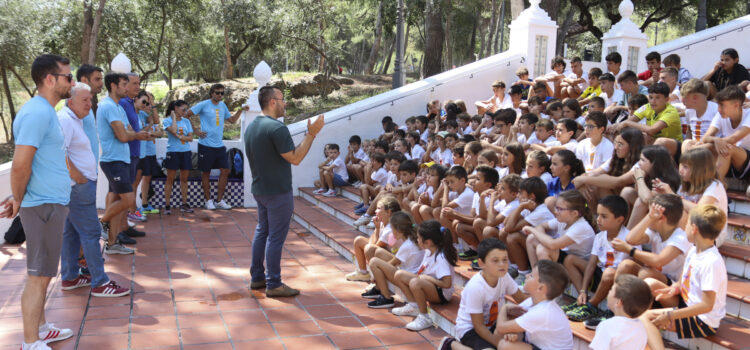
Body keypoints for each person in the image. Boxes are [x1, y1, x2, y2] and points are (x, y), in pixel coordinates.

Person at [2, 54, 75, 349]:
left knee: (44, 273)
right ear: (50, 79)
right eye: (68, 77)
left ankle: (42, 329)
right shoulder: (37, 113)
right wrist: (19, 198)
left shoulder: (44, 111)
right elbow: (20, 165)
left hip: (48, 203)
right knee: (39, 275)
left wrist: (19, 196)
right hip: (43, 205)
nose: (72, 82)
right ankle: (31, 342)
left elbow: (36, 163)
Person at [244, 86, 325, 297]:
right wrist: (311, 134)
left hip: (260, 189)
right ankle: (274, 283)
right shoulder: (277, 128)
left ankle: (257, 278)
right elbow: (295, 158)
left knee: (262, 232)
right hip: (278, 191)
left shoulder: (253, 126)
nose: (284, 103)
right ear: (272, 102)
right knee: (275, 238)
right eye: (281, 99)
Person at [58, 82, 131, 298]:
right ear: (70, 101)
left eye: (90, 100)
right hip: (78, 188)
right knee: (90, 233)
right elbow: (58, 153)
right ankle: (100, 282)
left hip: (78, 187)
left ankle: (70, 276)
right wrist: (78, 176)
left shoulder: (73, 119)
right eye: (85, 100)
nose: (90, 104)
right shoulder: (65, 120)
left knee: (70, 234)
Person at [645, 204, 728, 339]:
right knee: (648, 284)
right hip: (687, 304)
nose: (684, 228)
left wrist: (670, 315)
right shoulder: (694, 250)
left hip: (702, 320)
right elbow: (683, 279)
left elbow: (706, 306)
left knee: (645, 318)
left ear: (694, 229)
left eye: (687, 224)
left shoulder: (711, 262)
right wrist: (675, 288)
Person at [439, 239, 527, 350]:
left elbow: (521, 299)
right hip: (470, 329)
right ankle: (451, 344)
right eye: (495, 261)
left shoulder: (504, 276)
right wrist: (499, 344)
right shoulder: (475, 287)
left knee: (518, 338)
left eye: (505, 260)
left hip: (492, 322)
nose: (502, 264)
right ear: (481, 263)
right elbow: (479, 326)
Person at [97, 72, 150, 254]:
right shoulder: (108, 106)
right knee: (127, 200)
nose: (127, 87)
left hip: (122, 160)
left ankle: (112, 244)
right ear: (113, 85)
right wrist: (135, 135)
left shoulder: (118, 107)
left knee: (119, 203)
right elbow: (123, 135)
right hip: (113, 161)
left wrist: (131, 134)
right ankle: (101, 224)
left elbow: (128, 131)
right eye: (124, 84)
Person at [562, 196, 631, 324]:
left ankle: (591, 307)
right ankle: (582, 300)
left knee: (610, 272)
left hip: (617, 281)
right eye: (598, 215)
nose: (598, 219)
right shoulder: (600, 236)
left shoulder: (629, 238)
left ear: (619, 220)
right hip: (601, 275)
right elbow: (591, 265)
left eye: (604, 216)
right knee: (570, 260)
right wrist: (583, 290)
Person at [185, 84, 249, 210]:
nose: (220, 95)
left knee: (225, 171)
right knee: (206, 173)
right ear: (211, 93)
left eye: (222, 93)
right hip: (205, 145)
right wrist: (196, 132)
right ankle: (208, 200)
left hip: (219, 145)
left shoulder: (222, 105)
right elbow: (187, 115)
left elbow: (232, 120)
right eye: (217, 92)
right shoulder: (203, 104)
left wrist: (241, 110)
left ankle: (219, 201)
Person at [391, 220, 457, 331]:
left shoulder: (440, 257)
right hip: (430, 285)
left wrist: (428, 278)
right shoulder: (428, 251)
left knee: (415, 282)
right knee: (399, 275)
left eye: (418, 238)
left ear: (428, 242)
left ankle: (424, 317)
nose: (417, 240)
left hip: (442, 294)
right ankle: (414, 306)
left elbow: (447, 284)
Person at [494, 260, 574, 350]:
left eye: (531, 276)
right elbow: (511, 319)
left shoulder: (543, 312)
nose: (527, 275)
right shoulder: (533, 301)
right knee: (504, 334)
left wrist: (504, 307)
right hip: (538, 345)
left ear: (540, 288)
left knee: (505, 346)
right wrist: (511, 332)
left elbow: (501, 327)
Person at [364, 211, 426, 308]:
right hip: (410, 274)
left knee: (374, 262)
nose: (391, 232)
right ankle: (379, 288)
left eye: (392, 228)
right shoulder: (411, 239)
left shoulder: (407, 245)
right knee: (379, 252)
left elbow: (391, 264)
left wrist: (376, 276)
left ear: (398, 230)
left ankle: (386, 297)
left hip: (408, 279)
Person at [589, 275, 653, 350]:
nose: (608, 292)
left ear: (618, 302)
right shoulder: (641, 328)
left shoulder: (607, 326)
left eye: (611, 290)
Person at [119, 73, 148, 225]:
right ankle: (117, 224)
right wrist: (136, 134)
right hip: (126, 154)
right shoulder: (122, 103)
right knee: (124, 192)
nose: (138, 86)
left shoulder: (130, 103)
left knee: (129, 189)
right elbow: (124, 129)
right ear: (125, 84)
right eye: (134, 83)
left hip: (135, 154)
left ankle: (125, 221)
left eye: (139, 83)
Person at [617, 82, 682, 143]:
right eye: (651, 97)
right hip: (654, 142)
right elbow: (630, 121)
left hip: (674, 146)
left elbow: (651, 130)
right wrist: (615, 127)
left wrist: (627, 123)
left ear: (666, 99)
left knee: (659, 141)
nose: (653, 101)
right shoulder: (647, 107)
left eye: (657, 98)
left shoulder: (671, 112)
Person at [162, 100, 194, 214]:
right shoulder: (167, 121)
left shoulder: (186, 121)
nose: (185, 112)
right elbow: (174, 131)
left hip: (185, 152)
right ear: (175, 108)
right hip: (173, 152)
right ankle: (167, 205)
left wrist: (180, 137)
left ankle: (184, 204)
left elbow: (191, 138)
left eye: (186, 109)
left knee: (184, 179)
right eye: (183, 109)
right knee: (170, 179)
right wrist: (174, 118)